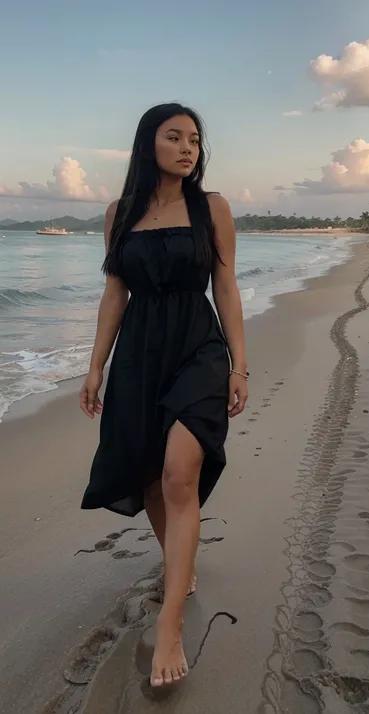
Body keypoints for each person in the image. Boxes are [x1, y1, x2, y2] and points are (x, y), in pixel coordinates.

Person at [79, 103, 248, 688]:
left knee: (180, 470)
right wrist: (95, 366)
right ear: (147, 144)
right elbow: (114, 294)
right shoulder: (119, 213)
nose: (187, 148)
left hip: (198, 347)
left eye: (194, 140)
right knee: (151, 475)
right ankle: (180, 565)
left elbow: (224, 286)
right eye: (174, 137)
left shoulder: (213, 207)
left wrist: (239, 366)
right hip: (138, 354)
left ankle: (170, 622)